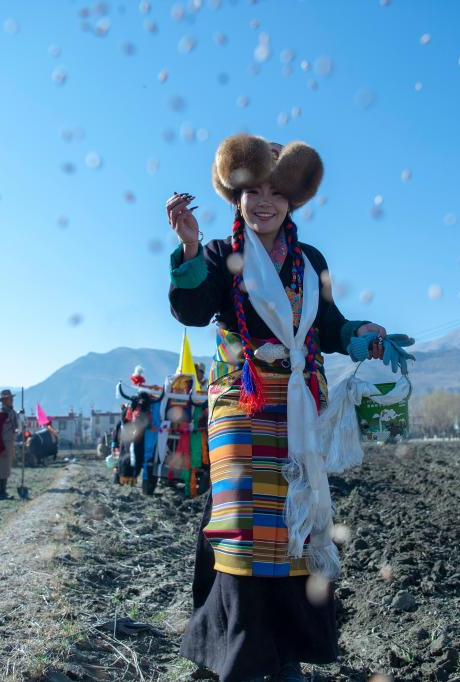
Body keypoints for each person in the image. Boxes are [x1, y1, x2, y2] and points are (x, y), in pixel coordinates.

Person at [166, 134, 390, 682]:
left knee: (297, 517)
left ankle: (287, 653)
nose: (264, 202)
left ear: (293, 201)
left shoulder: (311, 262)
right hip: (241, 403)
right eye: (254, 191)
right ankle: (240, 653)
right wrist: (190, 249)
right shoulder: (220, 255)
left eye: (276, 193)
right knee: (244, 520)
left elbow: (329, 325)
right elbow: (192, 311)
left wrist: (357, 334)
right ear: (236, 196)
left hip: (298, 405)